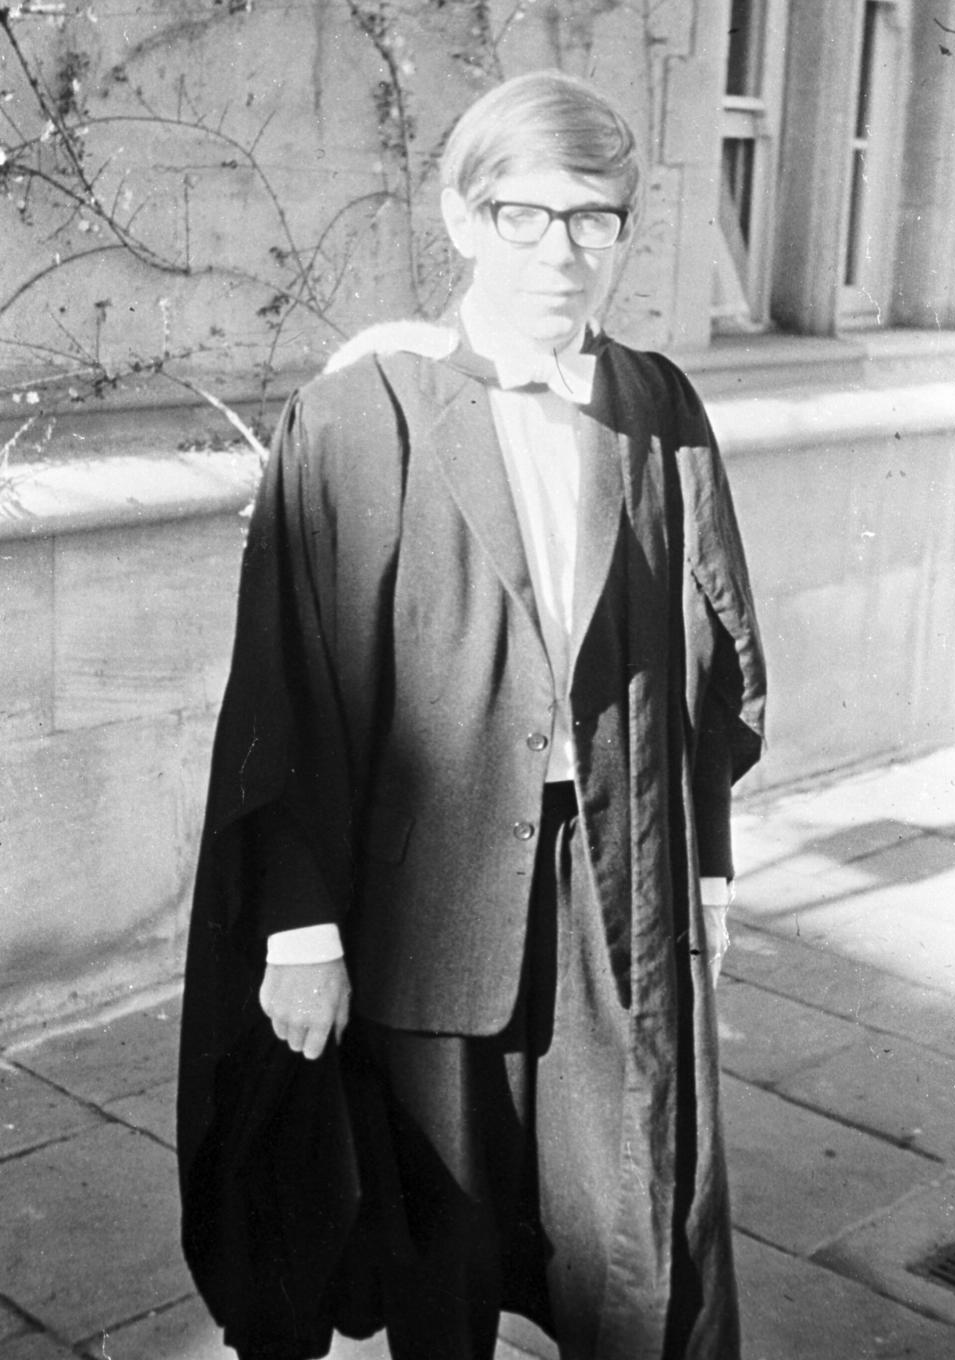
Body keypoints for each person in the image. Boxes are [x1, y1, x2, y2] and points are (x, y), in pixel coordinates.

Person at [177, 69, 766, 1360]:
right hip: (428, 906)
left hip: (618, 895)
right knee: (435, 1254)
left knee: (633, 1227)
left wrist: (707, 870)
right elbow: (286, 691)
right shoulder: (355, 419)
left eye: (593, 219)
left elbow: (703, 665)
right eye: (525, 215)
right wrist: (298, 931)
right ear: (460, 217)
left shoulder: (657, 414)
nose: (562, 252)